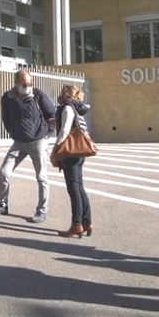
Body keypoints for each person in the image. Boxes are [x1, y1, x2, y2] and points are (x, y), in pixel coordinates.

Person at [0, 70, 55, 223]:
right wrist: (13, 132)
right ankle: (2, 205)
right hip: (18, 142)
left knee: (41, 176)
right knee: (4, 172)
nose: (27, 86)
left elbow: (51, 113)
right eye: (24, 84)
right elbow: (6, 119)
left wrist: (48, 133)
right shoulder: (8, 98)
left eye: (30, 83)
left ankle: (42, 211)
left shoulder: (37, 95)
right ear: (16, 83)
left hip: (38, 141)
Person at [50, 84, 93, 238]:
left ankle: (77, 224)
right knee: (80, 188)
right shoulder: (77, 108)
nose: (60, 95)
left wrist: (55, 150)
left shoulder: (68, 108)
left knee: (73, 190)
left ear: (67, 94)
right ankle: (87, 222)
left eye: (62, 92)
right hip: (80, 152)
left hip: (71, 152)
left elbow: (64, 131)